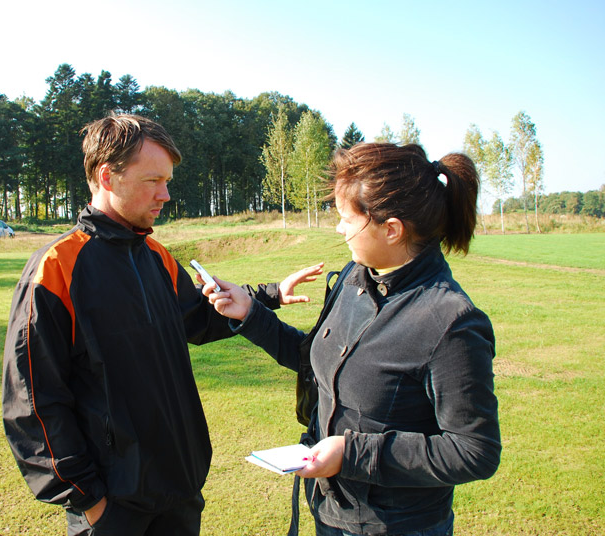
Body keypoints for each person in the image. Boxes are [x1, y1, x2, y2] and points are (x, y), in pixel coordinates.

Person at [2, 113, 322, 536]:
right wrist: (89, 500)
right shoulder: (57, 269)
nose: (166, 194)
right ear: (107, 176)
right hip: (114, 505)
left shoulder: (156, 256)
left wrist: (267, 296)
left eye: (167, 181)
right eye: (154, 180)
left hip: (180, 490)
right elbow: (33, 402)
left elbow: (200, 319)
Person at [203, 143, 501, 535]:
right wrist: (251, 313)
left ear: (392, 229)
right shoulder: (353, 278)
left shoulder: (451, 321)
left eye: (347, 218)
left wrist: (352, 454)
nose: (339, 229)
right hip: (330, 514)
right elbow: (315, 361)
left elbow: (474, 451)